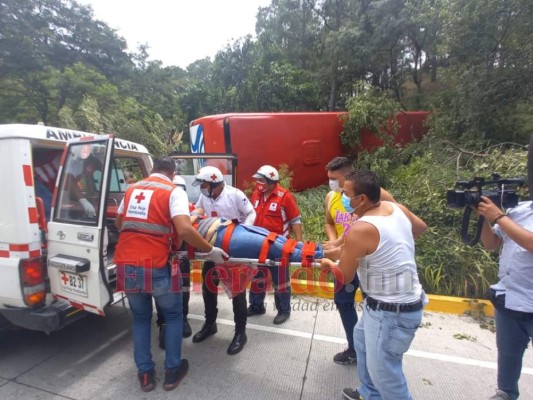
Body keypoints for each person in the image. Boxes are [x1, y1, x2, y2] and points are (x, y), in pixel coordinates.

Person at [114, 157, 228, 392]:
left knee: (140, 318)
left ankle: (145, 374)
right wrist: (210, 250)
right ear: (173, 173)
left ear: (153, 169)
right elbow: (184, 229)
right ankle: (171, 372)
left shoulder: (132, 189)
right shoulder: (172, 191)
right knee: (174, 316)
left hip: (127, 263)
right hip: (155, 265)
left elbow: (118, 222)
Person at [321, 169, 427, 400]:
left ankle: (378, 391)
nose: (343, 197)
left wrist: (328, 263)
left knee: (387, 376)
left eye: (347, 194)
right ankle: (369, 393)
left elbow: (345, 277)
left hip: (390, 312)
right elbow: (420, 228)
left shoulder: (361, 228)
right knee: (361, 340)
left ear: (362, 199)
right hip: (388, 303)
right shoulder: (397, 209)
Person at [324, 157, 395, 365]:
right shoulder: (331, 197)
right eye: (329, 179)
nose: (331, 183)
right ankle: (355, 348)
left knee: (372, 306)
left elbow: (398, 218)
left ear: (347, 177)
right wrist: (333, 243)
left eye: (334, 179)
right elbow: (329, 222)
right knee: (342, 302)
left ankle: (375, 352)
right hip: (344, 259)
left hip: (370, 262)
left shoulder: (379, 195)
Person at [191, 166, 256, 355]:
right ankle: (210, 323)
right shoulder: (206, 196)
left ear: (214, 184)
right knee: (208, 288)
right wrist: (194, 215)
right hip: (212, 249)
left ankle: (240, 333)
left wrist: (244, 232)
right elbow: (199, 207)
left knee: (237, 292)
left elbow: (251, 213)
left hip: (233, 250)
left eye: (203, 185)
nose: (201, 189)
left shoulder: (235, 195)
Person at [478, 195, 533, 400]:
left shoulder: (505, 216)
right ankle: (505, 393)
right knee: (508, 355)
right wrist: (484, 217)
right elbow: (491, 243)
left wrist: (499, 216)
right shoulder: (520, 210)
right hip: (510, 298)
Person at [248, 165, 302, 325]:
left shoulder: (284, 196)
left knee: (281, 280)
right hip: (258, 244)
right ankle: (256, 306)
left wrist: (298, 242)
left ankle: (283, 310)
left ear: (271, 182)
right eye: (258, 180)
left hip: (278, 246)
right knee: (258, 276)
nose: (258, 183)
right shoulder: (256, 194)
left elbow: (295, 220)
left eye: (262, 180)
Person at [156, 175, 194, 351]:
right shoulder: (157, 210)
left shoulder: (189, 208)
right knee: (162, 291)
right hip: (163, 257)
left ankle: (183, 318)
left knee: (183, 289)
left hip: (181, 256)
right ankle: (163, 325)